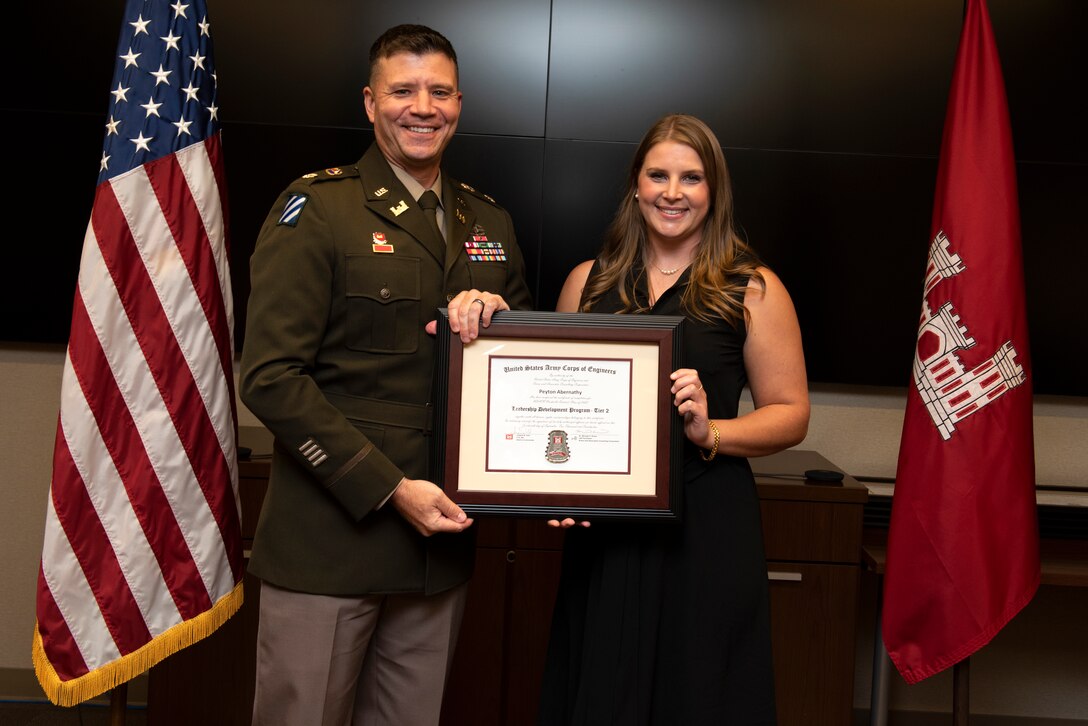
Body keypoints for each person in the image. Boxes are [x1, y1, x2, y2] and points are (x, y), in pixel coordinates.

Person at [239, 24, 532, 726]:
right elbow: (271, 377)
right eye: (403, 90)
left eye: (438, 91)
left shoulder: (488, 220)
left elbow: (519, 376)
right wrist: (390, 488)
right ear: (371, 103)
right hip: (332, 544)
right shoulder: (319, 210)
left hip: (439, 551)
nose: (421, 107)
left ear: (459, 102)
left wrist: (502, 317)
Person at [539, 114, 809, 725]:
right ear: (635, 185)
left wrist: (711, 431)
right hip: (605, 528)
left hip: (705, 521)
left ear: (713, 191)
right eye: (658, 174)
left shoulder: (753, 288)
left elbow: (791, 416)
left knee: (700, 689)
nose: (672, 192)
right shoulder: (588, 282)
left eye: (691, 178)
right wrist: (553, 486)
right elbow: (558, 406)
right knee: (600, 683)